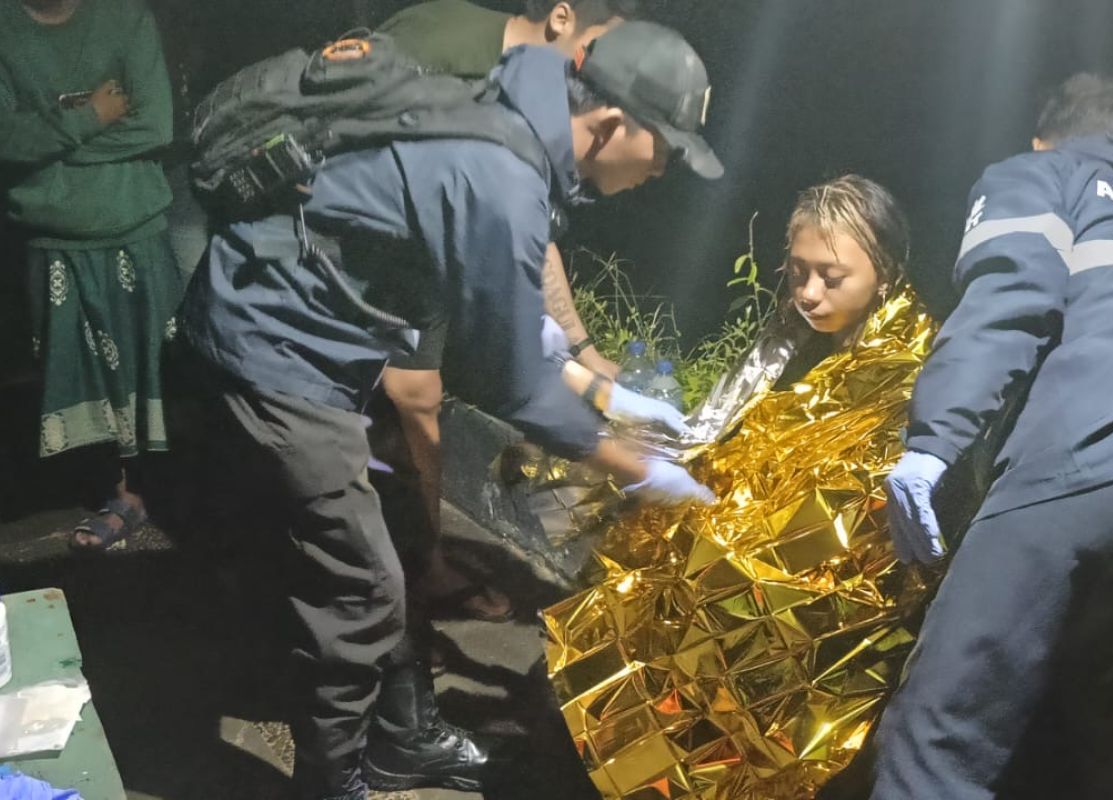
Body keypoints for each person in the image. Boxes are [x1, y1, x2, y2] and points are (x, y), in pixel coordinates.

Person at [178, 22, 721, 800]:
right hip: (276, 351)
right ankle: (330, 783)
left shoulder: (509, 116)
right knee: (363, 591)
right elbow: (514, 385)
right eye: (664, 150)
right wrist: (641, 470)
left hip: (306, 334)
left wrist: (608, 395)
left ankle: (398, 740)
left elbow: (507, 314)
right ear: (609, 124)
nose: (662, 171)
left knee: (378, 546)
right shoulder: (502, 175)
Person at [544, 176, 935, 799]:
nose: (808, 293)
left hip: (813, 588)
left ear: (884, 272)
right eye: (797, 272)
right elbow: (727, 429)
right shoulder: (793, 337)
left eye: (831, 277)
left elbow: (849, 509)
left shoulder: (907, 373)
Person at [875, 73, 1113, 799]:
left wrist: (931, 445)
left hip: (1085, 459)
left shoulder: (1044, 174)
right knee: (1081, 725)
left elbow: (1008, 298)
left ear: (1043, 137)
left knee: (935, 737)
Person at [373, 0, 638, 620]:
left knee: (410, 406)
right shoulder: (450, 52)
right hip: (367, 260)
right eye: (597, 50)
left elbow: (532, 230)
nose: (598, 74)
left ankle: (406, 557)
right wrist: (618, 456)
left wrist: (584, 350)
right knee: (414, 400)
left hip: (423, 262)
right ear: (562, 16)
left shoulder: (536, 97)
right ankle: (420, 572)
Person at [0, 0, 181, 550]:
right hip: (53, 236)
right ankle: (118, 493)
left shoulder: (125, 18)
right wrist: (89, 116)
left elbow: (155, 124)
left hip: (134, 224)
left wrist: (51, 146)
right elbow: (5, 140)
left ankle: (155, 490)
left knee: (153, 367)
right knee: (77, 375)